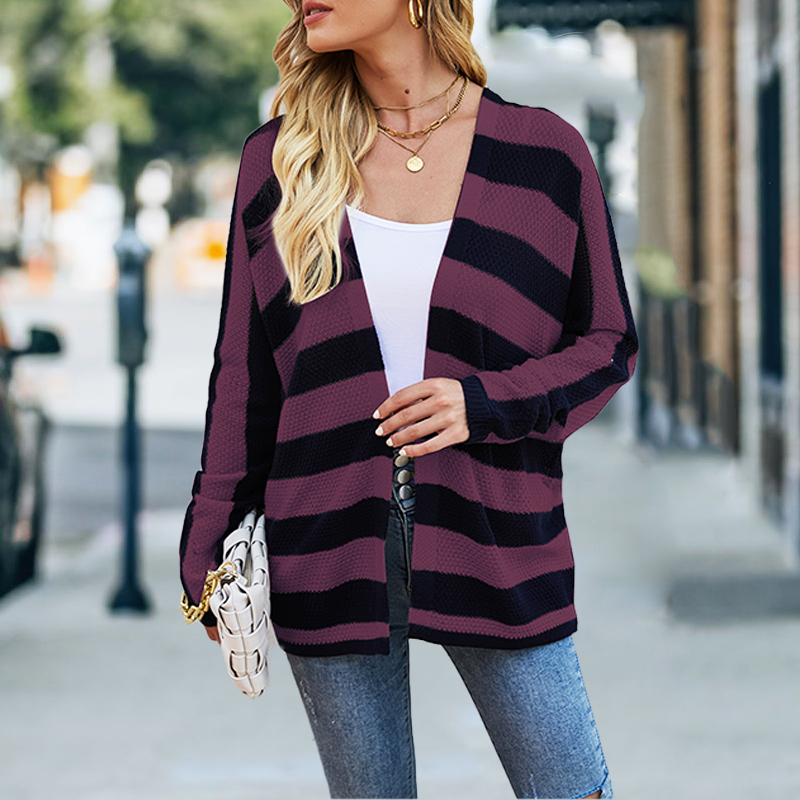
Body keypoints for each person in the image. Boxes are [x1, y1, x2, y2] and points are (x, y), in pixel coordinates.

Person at [179, 0, 639, 796]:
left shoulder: (544, 156)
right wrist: (207, 538)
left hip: (496, 533)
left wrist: (484, 402)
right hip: (322, 536)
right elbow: (244, 374)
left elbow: (607, 343)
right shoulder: (281, 157)